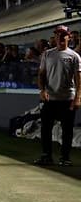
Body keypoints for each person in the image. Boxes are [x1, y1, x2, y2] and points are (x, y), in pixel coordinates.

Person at [33, 25, 81, 167]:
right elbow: (41, 75)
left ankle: (65, 157)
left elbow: (79, 80)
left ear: (69, 37)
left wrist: (78, 98)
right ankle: (46, 156)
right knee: (45, 128)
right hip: (50, 99)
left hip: (67, 99)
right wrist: (42, 90)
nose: (60, 37)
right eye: (57, 34)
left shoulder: (74, 56)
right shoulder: (47, 54)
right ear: (54, 37)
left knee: (67, 130)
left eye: (63, 34)